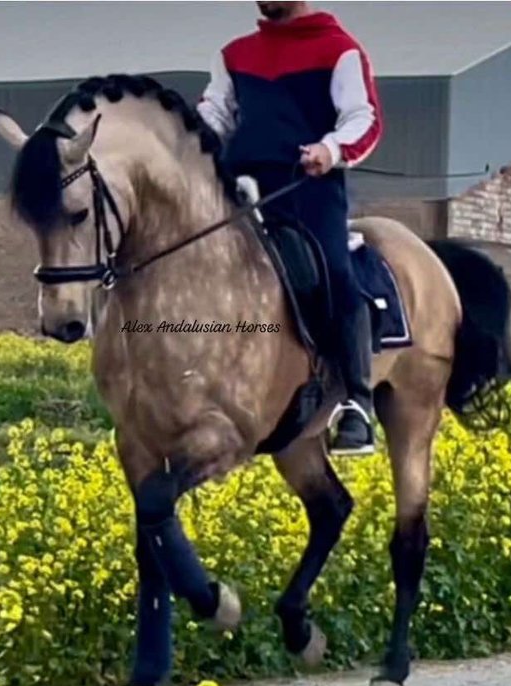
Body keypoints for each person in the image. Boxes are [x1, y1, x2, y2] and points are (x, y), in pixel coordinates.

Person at [197, 1, 383, 455]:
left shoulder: (339, 49)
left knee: (334, 274)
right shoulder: (235, 55)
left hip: (307, 187)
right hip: (239, 188)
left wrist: (331, 148)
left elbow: (365, 119)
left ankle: (357, 404)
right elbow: (214, 117)